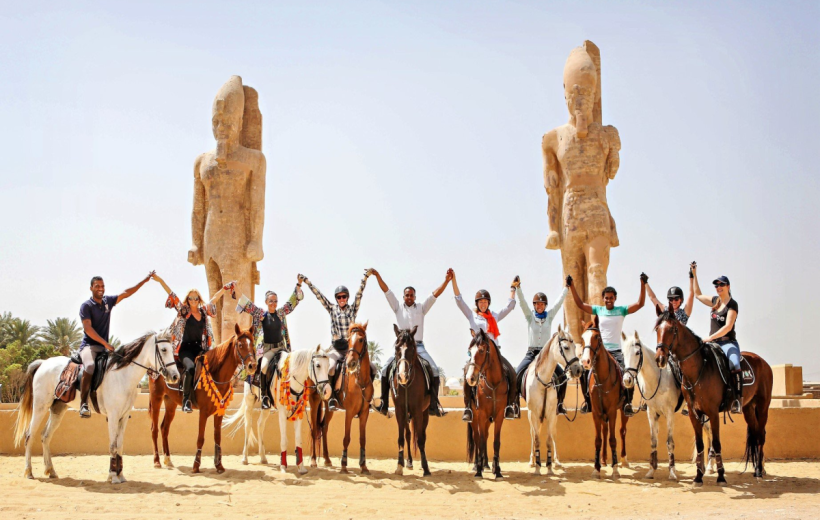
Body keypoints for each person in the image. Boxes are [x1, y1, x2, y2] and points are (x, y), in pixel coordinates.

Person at [370, 268, 452, 417]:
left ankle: (433, 405)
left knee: (434, 370)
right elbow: (386, 291)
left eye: (411, 295)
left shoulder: (421, 308)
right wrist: (377, 276)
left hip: (418, 346)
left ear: (415, 297)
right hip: (401, 348)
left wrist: (446, 281)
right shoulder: (397, 307)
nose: (409, 297)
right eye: (407, 295)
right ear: (403, 297)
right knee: (384, 370)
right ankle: (384, 404)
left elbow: (435, 294)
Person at [152, 273, 235, 413]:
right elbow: (171, 294)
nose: (193, 300)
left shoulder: (203, 312)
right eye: (190, 298)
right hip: (185, 349)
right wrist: (160, 280)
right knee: (190, 369)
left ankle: (211, 398)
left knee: (215, 367)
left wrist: (225, 288)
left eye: (195, 298)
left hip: (201, 349)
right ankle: (186, 400)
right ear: (188, 299)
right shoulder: (184, 311)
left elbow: (214, 300)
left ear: (199, 299)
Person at [567, 272, 647, 416]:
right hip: (599, 351)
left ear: (615, 298)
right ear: (603, 299)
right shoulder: (599, 310)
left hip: (616, 351)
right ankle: (588, 402)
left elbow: (640, 304)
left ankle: (627, 403)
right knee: (585, 372)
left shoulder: (621, 310)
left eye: (611, 298)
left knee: (628, 373)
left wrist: (643, 284)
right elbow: (579, 304)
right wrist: (572, 286)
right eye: (606, 298)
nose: (608, 300)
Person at [78, 272, 154, 418]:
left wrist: (144, 281)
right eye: (97, 286)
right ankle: (83, 404)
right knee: (89, 367)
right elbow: (88, 329)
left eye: (102, 286)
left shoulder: (108, 302)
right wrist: (105, 343)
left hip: (104, 348)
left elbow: (126, 293)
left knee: (118, 369)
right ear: (91, 288)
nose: (100, 288)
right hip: (89, 347)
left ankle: (116, 407)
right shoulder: (86, 306)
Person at [451, 268, 519, 421]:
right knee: (468, 373)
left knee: (513, 374)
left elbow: (509, 307)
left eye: (485, 302)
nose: (483, 304)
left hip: (495, 355)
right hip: (478, 356)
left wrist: (512, 289)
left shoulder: (494, 316)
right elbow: (459, 300)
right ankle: (468, 407)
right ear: (477, 303)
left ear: (488, 303)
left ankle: (509, 406)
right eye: (480, 302)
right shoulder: (472, 316)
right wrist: (453, 280)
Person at [302, 270, 372, 411]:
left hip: (350, 349)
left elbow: (359, 294)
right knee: (332, 368)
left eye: (344, 297)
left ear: (347, 298)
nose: (342, 299)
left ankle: (368, 399)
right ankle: (332, 398)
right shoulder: (332, 309)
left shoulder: (352, 310)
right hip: (336, 349)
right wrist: (308, 282)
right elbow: (319, 296)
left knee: (372, 368)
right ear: (336, 299)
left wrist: (365, 278)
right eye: (339, 297)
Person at [236, 274, 304, 409]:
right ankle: (265, 396)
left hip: (281, 349)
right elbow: (247, 303)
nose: (274, 304)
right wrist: (236, 288)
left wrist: (299, 284)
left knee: (294, 366)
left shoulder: (281, 313)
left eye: (275, 301)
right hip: (268, 350)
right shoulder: (261, 315)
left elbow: (292, 302)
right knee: (264, 367)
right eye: (271, 301)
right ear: (266, 302)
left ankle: (295, 395)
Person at [514, 277, 569, 415]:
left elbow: (558, 303)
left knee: (562, 375)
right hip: (532, 353)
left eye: (542, 304)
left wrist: (566, 288)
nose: (539, 306)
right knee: (517, 374)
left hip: (546, 354)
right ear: (534, 306)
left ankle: (560, 404)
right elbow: (522, 303)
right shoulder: (530, 317)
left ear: (545, 305)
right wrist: (518, 288)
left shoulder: (549, 316)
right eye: (537, 304)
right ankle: (514, 404)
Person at [692, 265, 742, 414]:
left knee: (734, 363)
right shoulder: (715, 301)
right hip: (713, 344)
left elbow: (728, 326)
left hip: (727, 343)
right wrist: (694, 274)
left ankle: (737, 400)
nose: (718, 287)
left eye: (721, 285)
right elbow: (698, 295)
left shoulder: (733, 305)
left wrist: (710, 338)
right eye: (716, 285)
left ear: (728, 286)